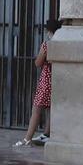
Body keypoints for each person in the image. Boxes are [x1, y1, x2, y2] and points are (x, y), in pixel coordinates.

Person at [15, 19, 62, 147]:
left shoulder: (47, 45)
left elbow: (38, 62)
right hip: (58, 78)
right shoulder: (62, 44)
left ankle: (27, 138)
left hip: (46, 79)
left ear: (49, 30)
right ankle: (47, 133)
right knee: (50, 108)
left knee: (37, 108)